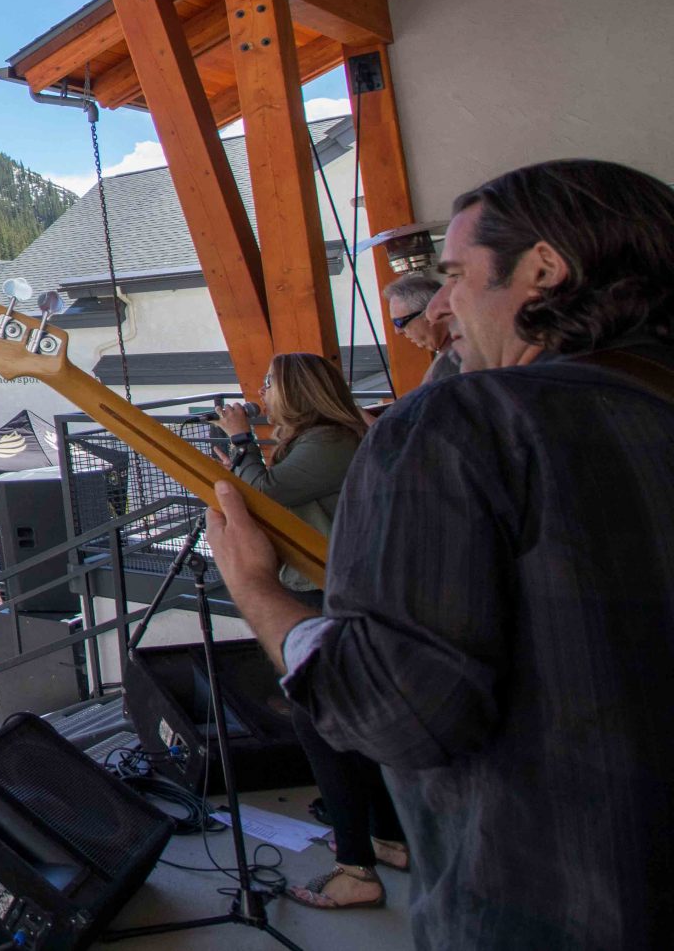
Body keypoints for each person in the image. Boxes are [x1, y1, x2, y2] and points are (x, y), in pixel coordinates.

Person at [207, 159, 674, 950]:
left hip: (548, 907)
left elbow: (397, 711)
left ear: (543, 269)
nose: (443, 307)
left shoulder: (462, 423)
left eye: (455, 275)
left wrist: (259, 593)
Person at [221, 352, 404, 909]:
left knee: (323, 732)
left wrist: (240, 440)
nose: (261, 388)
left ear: (297, 391)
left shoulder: (329, 442)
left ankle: (356, 869)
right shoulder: (319, 441)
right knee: (342, 728)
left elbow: (262, 499)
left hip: (323, 595)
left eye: (270, 381)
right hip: (326, 590)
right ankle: (387, 838)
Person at [384, 271, 462, 384]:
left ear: (430, 312)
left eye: (400, 322)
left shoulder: (454, 361)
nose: (398, 331)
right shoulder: (457, 349)